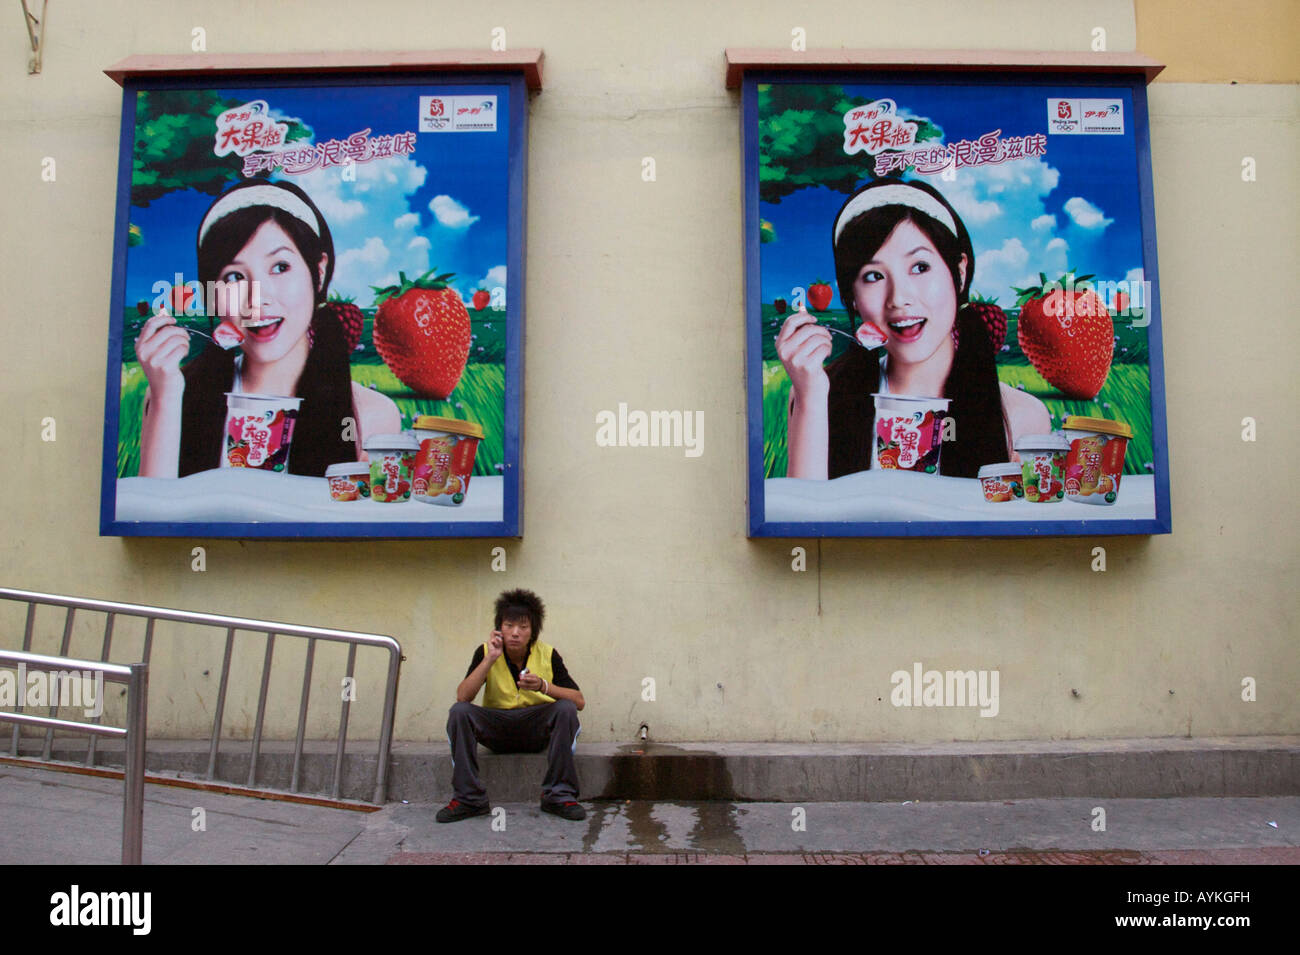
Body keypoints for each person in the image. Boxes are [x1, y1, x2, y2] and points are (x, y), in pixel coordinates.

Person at [776, 177, 1049, 479]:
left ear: (959, 272)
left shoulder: (1020, 416)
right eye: (873, 276)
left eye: (920, 267)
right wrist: (812, 398)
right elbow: (806, 518)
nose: (899, 299)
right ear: (851, 296)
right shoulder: (823, 394)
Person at [134, 178, 399, 478]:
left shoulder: (371, 414)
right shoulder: (177, 394)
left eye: (280, 267)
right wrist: (167, 398)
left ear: (319, 272)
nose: (256, 300)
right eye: (234, 277)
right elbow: (155, 515)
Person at [438, 588, 586, 823]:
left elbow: (579, 701)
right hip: (497, 727)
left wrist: (542, 686)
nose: (515, 633)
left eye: (523, 627)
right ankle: (469, 798)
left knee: (565, 709)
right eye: (509, 626)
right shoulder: (486, 652)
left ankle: (558, 795)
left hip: (535, 730)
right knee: (459, 713)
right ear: (499, 628)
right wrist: (489, 659)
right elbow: (463, 697)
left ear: (533, 632)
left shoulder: (548, 654)